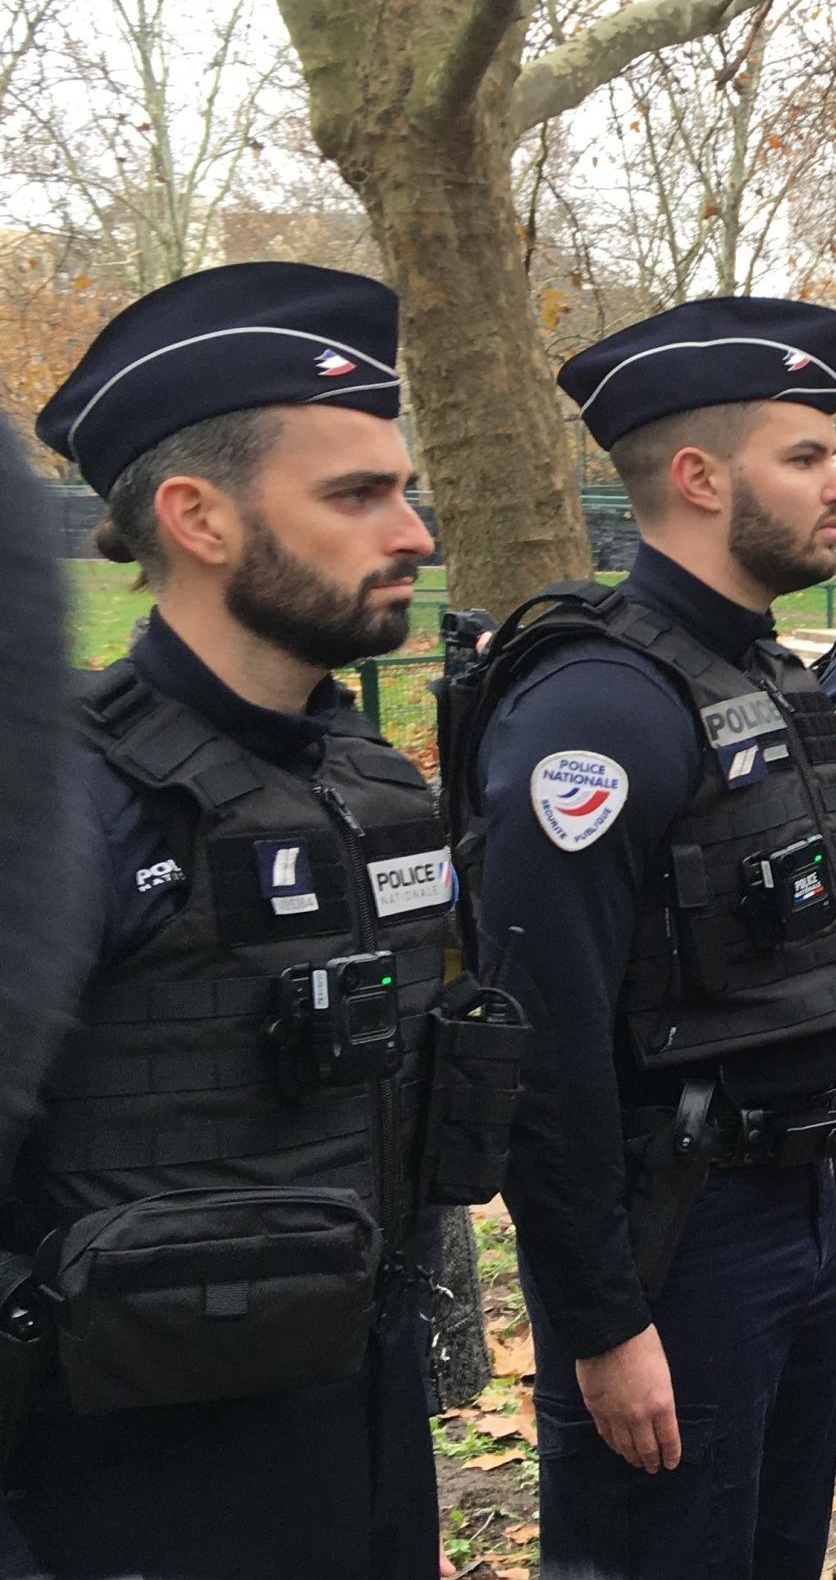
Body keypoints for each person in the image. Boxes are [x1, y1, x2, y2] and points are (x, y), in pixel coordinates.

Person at [450, 296, 836, 1579]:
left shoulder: (765, 673)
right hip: (679, 1228)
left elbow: (833, 938)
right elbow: (537, 1042)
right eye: (808, 456)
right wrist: (602, 1321)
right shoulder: (599, 705)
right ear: (700, 478)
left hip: (791, 1204)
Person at [7, 262, 445, 1579]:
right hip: (126, 1495)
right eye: (357, 493)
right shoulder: (61, 808)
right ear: (196, 516)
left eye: (403, 485)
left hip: (365, 1450)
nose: (415, 527)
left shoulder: (373, 783)